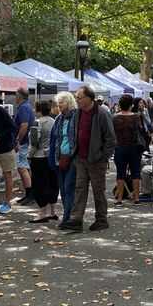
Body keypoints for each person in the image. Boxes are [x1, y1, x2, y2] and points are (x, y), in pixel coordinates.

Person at [61, 85, 116, 232]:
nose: (77, 100)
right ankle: (76, 219)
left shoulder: (102, 114)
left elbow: (110, 139)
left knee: (98, 191)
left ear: (88, 98)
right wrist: (74, 152)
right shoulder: (78, 113)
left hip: (96, 160)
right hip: (80, 158)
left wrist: (103, 157)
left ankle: (101, 219)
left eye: (79, 97)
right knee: (80, 189)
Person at [112, 94, 147, 206]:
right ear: (131, 105)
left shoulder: (115, 117)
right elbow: (141, 130)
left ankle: (119, 199)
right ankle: (136, 198)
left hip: (120, 148)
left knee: (120, 174)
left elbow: (112, 133)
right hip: (134, 148)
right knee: (136, 173)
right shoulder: (136, 117)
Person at [49, 91, 77, 224]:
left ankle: (67, 217)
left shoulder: (76, 117)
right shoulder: (58, 119)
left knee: (68, 187)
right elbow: (53, 140)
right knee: (63, 189)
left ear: (69, 102)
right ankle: (68, 214)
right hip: (59, 158)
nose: (59, 104)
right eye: (58, 102)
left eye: (62, 102)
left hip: (73, 158)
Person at [28, 101, 59, 223]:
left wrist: (29, 156)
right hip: (51, 157)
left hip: (39, 157)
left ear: (38, 110)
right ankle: (53, 211)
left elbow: (34, 143)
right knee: (52, 182)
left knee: (40, 184)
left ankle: (42, 213)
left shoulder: (37, 123)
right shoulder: (55, 121)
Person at [13, 88, 36, 204]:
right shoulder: (26, 106)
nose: (15, 97)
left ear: (20, 96)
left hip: (24, 142)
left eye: (16, 95)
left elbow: (24, 125)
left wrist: (17, 140)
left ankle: (30, 195)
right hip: (26, 141)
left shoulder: (23, 108)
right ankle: (28, 194)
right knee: (24, 167)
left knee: (22, 167)